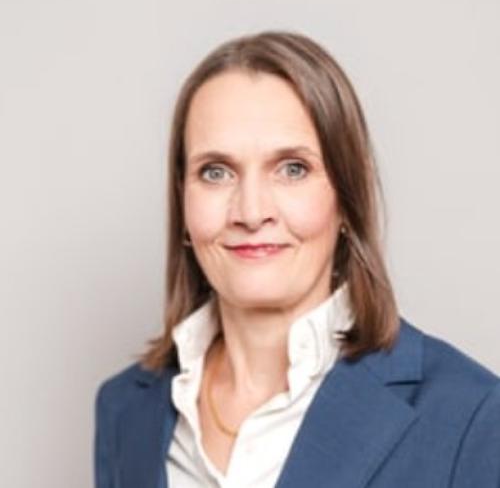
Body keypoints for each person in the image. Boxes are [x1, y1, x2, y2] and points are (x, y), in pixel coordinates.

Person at [94, 30, 500, 488]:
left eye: (292, 169)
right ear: (183, 199)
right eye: (216, 172)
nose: (251, 212)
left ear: (346, 198)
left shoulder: (471, 416)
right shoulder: (124, 410)